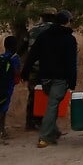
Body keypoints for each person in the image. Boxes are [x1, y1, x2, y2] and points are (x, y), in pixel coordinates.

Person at [22, 10, 78, 148]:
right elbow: (71, 63)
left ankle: (54, 132)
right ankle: (44, 137)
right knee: (52, 106)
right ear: (67, 21)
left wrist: (25, 72)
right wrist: (72, 81)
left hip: (44, 78)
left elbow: (32, 55)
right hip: (60, 78)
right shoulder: (69, 39)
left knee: (51, 105)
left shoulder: (44, 36)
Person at [24, 9, 56, 130]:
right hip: (49, 69)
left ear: (42, 17)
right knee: (48, 95)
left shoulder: (32, 30)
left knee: (33, 94)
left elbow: (24, 48)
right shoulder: (56, 31)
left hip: (33, 68)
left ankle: (30, 122)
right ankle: (44, 122)